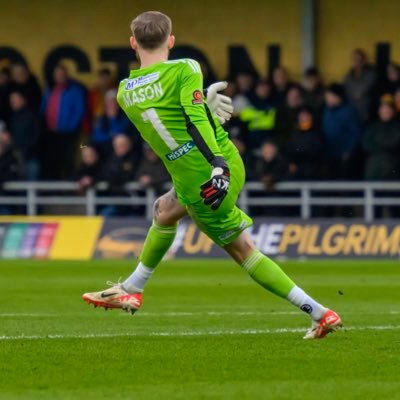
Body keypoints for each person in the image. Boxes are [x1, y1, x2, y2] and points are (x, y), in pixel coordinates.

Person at [83, 11, 341, 339]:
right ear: (171, 40)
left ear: (133, 43)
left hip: (201, 181)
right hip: (226, 161)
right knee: (163, 211)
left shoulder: (124, 92)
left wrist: (211, 157)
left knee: (243, 251)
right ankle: (132, 288)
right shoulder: (187, 67)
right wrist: (211, 130)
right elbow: (192, 119)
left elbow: (176, 123)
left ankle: (320, 313)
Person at [41, 64, 87, 179]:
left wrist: (71, 127)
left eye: (61, 74)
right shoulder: (50, 90)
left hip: (68, 133)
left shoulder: (75, 90)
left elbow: (80, 110)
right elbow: (43, 109)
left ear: (66, 75)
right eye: (57, 74)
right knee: (52, 161)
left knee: (68, 161)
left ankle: (67, 189)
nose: (59, 76)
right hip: (51, 133)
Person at [322, 83, 362, 179]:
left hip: (345, 157)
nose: (327, 99)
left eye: (330, 96)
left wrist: (348, 151)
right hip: (330, 154)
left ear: (338, 96)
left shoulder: (349, 111)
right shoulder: (327, 111)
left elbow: (355, 133)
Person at [363, 95, 400, 180]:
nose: (385, 112)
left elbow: (396, 143)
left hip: (393, 166)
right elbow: (366, 144)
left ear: (393, 112)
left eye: (388, 110)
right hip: (374, 167)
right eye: (383, 109)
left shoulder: (397, 127)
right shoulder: (373, 127)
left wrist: (380, 145)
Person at [8, 90, 41, 180]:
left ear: (23, 100)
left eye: (15, 99)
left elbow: (37, 137)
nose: (12, 102)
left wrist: (25, 151)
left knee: (30, 186)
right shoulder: (13, 117)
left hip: (31, 158)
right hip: (16, 159)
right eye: (11, 100)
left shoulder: (33, 116)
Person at [286, 107, 323, 180]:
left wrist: (299, 152)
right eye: (302, 115)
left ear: (311, 117)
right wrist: (291, 162)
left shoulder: (317, 132)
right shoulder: (293, 133)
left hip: (312, 170)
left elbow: (317, 151)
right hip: (296, 171)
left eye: (306, 115)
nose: (304, 118)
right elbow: (289, 150)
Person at [343, 49, 376, 123]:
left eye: (360, 59)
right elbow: (345, 91)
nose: (357, 62)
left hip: (366, 113)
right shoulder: (348, 75)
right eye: (355, 59)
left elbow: (363, 90)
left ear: (364, 60)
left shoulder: (370, 75)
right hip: (351, 113)